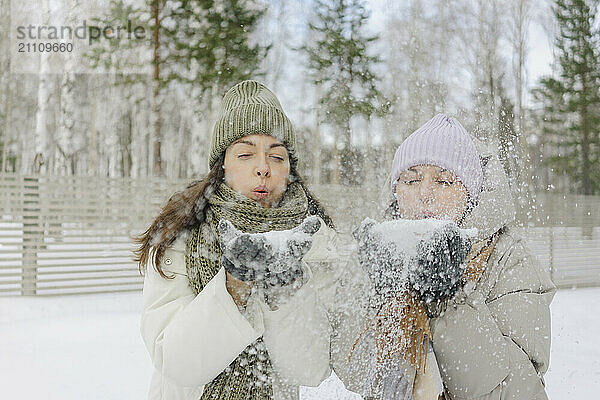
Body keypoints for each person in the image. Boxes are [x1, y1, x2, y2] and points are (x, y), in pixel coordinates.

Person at [134, 80, 343, 400]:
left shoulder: (315, 243)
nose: (262, 168)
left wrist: (285, 287)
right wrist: (234, 286)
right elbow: (175, 362)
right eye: (246, 154)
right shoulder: (180, 236)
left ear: (290, 170)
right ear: (223, 166)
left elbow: (309, 368)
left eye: (277, 157)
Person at [349, 114, 556, 399]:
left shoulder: (511, 261)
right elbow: (353, 371)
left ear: (470, 197)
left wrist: (450, 298)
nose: (425, 194)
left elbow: (521, 390)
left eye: (444, 182)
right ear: (395, 192)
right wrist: (380, 291)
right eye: (410, 180)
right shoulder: (377, 252)